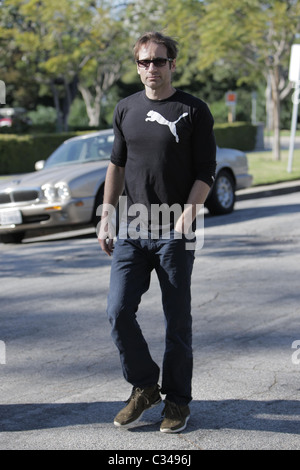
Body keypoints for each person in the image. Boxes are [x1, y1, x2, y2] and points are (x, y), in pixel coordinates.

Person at [98, 31, 216, 433]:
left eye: (159, 61)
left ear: (172, 64)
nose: (151, 69)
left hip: (173, 233)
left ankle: (178, 402)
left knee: (176, 321)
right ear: (137, 66)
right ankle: (146, 386)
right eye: (144, 62)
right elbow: (116, 164)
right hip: (131, 230)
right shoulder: (125, 108)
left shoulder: (194, 109)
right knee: (117, 311)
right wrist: (105, 214)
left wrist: (188, 215)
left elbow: (206, 172)